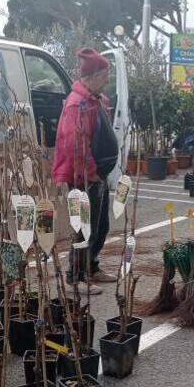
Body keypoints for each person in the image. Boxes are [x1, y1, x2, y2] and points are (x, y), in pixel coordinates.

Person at [51, 47, 119, 295]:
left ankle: (91, 267)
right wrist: (89, 173)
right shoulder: (77, 104)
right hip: (84, 178)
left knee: (100, 226)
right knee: (83, 228)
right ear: (93, 77)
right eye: (105, 76)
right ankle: (75, 277)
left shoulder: (94, 100)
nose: (107, 80)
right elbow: (75, 146)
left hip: (96, 175)